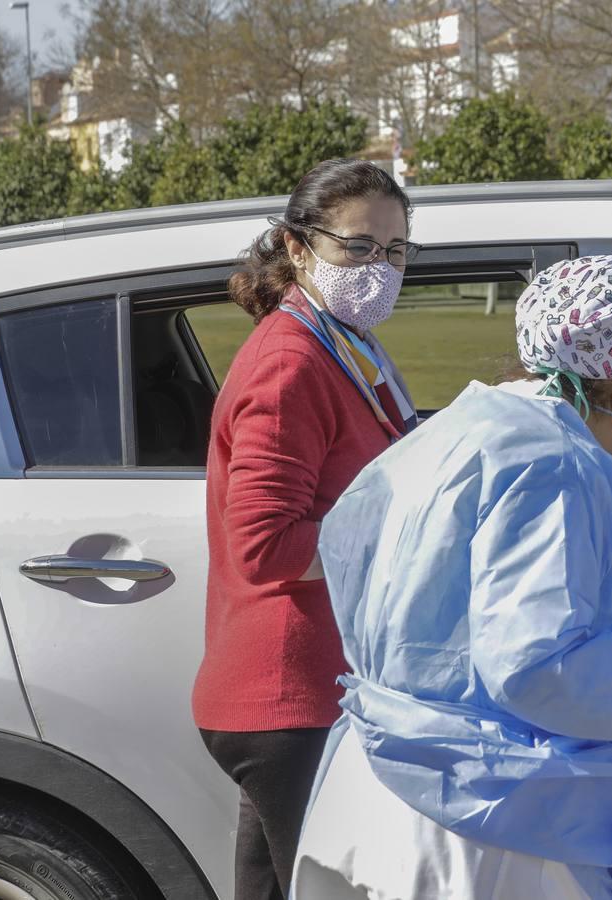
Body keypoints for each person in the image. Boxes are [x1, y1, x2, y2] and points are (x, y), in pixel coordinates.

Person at [291, 255, 612, 900]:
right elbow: (537, 662)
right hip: (496, 814)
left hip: (403, 782)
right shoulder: (555, 464)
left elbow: (461, 595)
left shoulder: (476, 426)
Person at [191, 158, 419, 900]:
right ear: (298, 247)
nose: (378, 267)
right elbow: (265, 546)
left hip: (305, 689)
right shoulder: (291, 361)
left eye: (394, 250)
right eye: (358, 247)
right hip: (291, 693)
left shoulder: (343, 338)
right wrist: (406, 526)